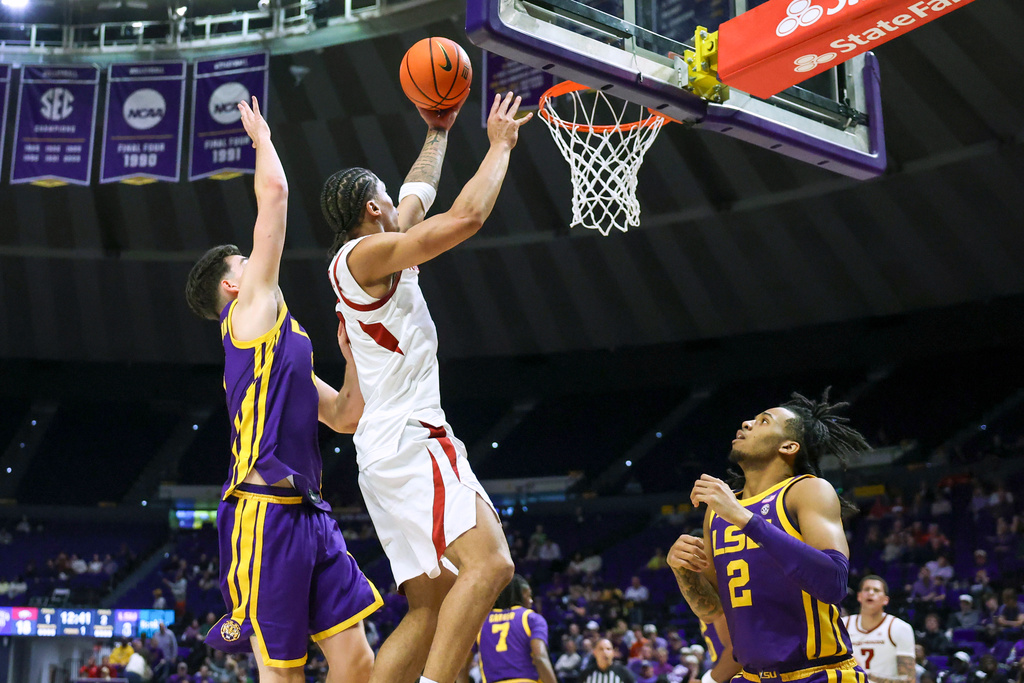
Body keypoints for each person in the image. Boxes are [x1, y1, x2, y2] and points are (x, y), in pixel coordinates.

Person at [320, 90, 531, 683]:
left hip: (384, 449)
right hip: (413, 437)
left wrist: (438, 131)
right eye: (387, 198)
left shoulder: (371, 252)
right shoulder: (367, 257)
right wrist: (500, 145)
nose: (398, 201)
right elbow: (465, 218)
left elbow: (421, 189)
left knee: (430, 605)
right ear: (371, 208)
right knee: (490, 565)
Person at [184, 96, 379, 682]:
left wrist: (353, 359)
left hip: (310, 514)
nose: (255, 261)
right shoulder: (248, 316)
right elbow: (275, 200)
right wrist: (262, 139)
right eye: (245, 260)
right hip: (263, 516)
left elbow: (344, 417)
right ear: (230, 281)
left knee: (357, 659)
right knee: (282, 673)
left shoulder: (286, 340)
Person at [668, 390, 870, 683]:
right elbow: (712, 609)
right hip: (752, 677)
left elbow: (834, 583)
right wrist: (682, 570)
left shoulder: (808, 490)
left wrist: (744, 518)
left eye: (764, 421)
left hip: (818, 674)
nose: (747, 423)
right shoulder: (717, 513)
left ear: (788, 446)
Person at [478, 574, 557, 683]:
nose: (531, 601)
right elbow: (540, 657)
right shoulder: (531, 618)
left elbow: (463, 667)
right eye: (528, 596)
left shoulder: (481, 623)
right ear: (520, 595)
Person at [842, 575, 916, 683]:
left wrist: (864, 674)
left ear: (886, 600)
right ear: (859, 596)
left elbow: (909, 680)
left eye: (876, 590)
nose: (871, 593)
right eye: (866, 589)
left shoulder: (900, 628)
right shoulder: (843, 625)